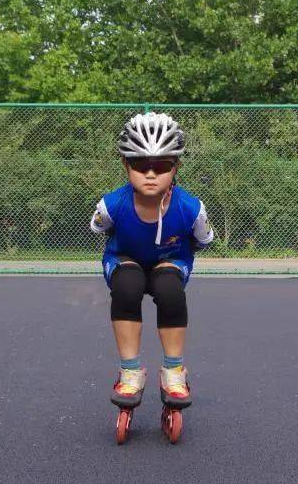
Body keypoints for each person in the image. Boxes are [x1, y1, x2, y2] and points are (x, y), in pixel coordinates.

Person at [89, 113, 214, 417]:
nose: (150, 174)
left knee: (169, 289)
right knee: (127, 285)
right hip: (125, 259)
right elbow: (101, 229)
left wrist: (170, 256)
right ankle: (130, 372)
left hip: (169, 262)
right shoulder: (111, 206)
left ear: (176, 168)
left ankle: (174, 371)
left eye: (160, 166)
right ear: (125, 165)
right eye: (141, 165)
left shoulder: (191, 209)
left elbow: (202, 240)